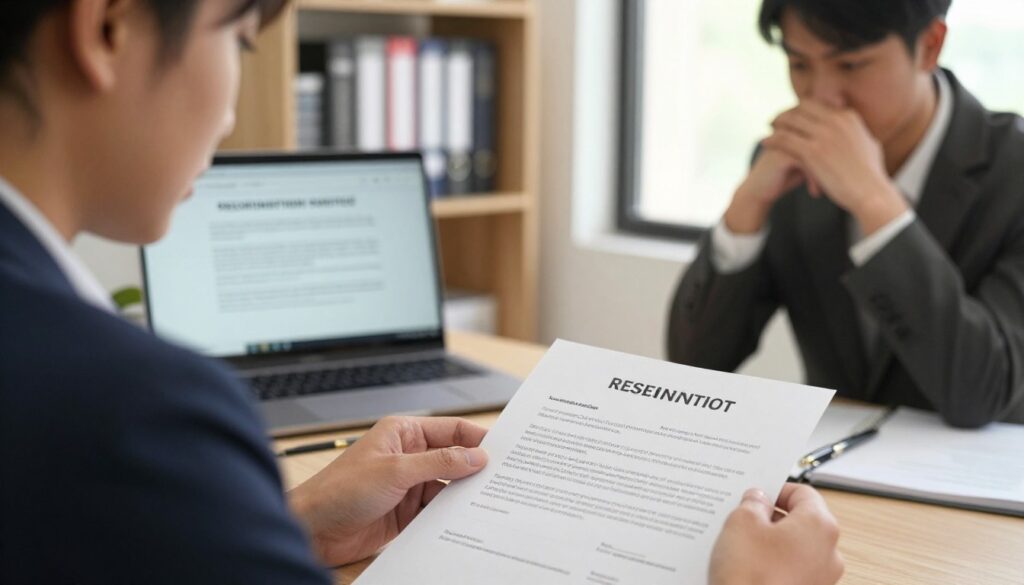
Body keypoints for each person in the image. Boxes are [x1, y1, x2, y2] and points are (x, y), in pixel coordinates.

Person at [0, 1, 842, 583]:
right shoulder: (134, 411)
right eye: (241, 41)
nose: (228, 112)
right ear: (107, 28)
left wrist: (282, 528)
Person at [668, 0, 1024, 427]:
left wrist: (876, 206)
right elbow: (692, 370)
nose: (822, 96)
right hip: (825, 479)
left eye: (851, 65)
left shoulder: (1012, 172)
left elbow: (984, 392)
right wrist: (745, 209)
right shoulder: (789, 166)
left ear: (930, 45)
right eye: (799, 64)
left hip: (973, 483)